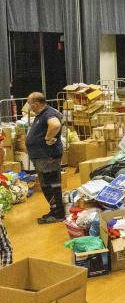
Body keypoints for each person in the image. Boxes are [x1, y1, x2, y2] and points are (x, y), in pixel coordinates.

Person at [26, 93, 65, 224]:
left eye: (29, 103)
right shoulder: (43, 114)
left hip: (48, 157)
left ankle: (58, 214)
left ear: (35, 104)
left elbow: (55, 125)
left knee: (51, 185)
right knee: (48, 185)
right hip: (44, 157)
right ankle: (55, 211)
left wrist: (48, 138)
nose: (28, 106)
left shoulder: (48, 113)